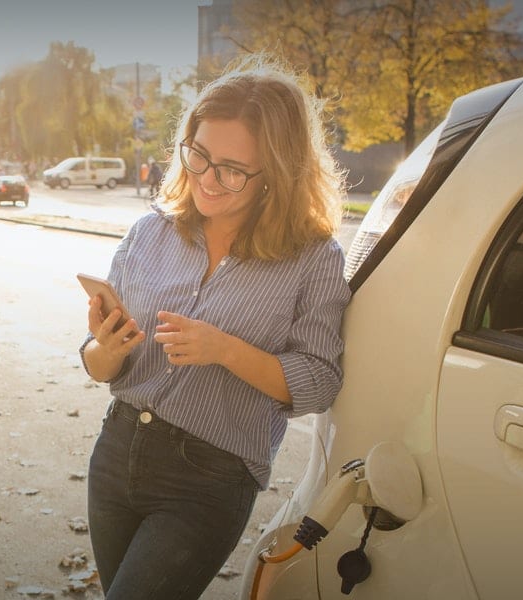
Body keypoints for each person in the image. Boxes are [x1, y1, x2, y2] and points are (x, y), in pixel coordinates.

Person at [78, 56, 351, 600]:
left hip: (208, 481)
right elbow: (95, 362)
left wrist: (225, 349)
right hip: (117, 451)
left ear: (277, 172)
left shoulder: (313, 258)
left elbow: (320, 382)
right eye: (198, 156)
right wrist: (106, 349)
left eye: (231, 169)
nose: (206, 179)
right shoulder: (150, 232)